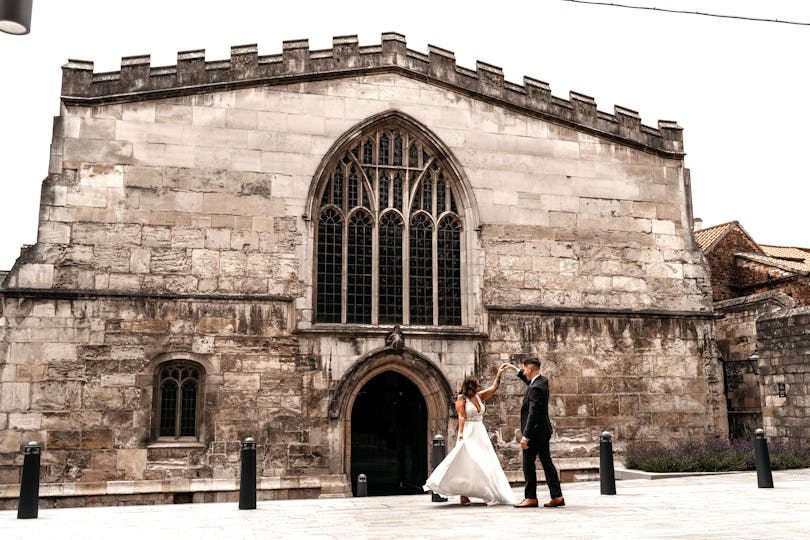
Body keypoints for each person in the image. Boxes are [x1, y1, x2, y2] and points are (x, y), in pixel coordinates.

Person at [423, 364, 516, 506]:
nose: (479, 388)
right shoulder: (461, 399)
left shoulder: (479, 396)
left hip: (480, 433)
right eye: (477, 386)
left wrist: (499, 374)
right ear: (470, 386)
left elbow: (493, 388)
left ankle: (486, 491)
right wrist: (460, 433)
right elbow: (461, 417)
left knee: (485, 462)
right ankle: (463, 493)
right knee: (468, 461)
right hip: (469, 431)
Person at [508, 357, 565, 508]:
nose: (525, 372)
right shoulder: (542, 382)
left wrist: (525, 437)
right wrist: (515, 370)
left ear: (530, 369)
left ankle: (531, 497)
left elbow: (533, 415)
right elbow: (529, 381)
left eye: (525, 369)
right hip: (543, 431)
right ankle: (557, 496)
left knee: (528, 463)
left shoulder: (535, 389)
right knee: (546, 462)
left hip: (535, 432)